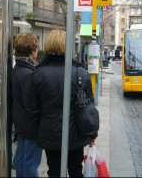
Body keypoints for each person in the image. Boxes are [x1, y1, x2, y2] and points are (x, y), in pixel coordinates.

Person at [28, 29, 97, 177]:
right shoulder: (80, 73)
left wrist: (38, 130)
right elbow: (89, 109)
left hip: (49, 133)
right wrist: (92, 134)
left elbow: (32, 108)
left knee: (54, 171)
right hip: (75, 134)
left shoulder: (37, 74)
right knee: (75, 170)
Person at [11, 33, 42, 177]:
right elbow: (32, 105)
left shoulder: (18, 68)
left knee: (22, 161)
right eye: (36, 48)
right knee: (30, 164)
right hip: (30, 127)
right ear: (32, 50)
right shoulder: (28, 73)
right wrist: (39, 122)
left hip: (21, 124)